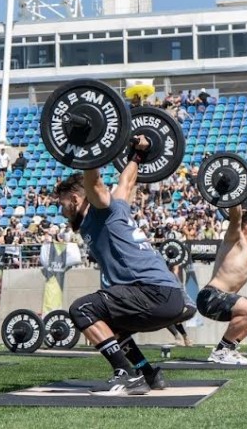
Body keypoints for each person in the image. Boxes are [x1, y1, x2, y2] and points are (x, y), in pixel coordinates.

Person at [55, 134, 195, 396]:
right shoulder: (118, 204)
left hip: (151, 292)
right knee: (111, 325)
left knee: (82, 309)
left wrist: (87, 145)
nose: (60, 210)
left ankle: (125, 375)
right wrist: (139, 152)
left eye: (61, 203)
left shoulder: (101, 207)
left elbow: (93, 181)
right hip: (169, 296)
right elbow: (127, 180)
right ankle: (147, 372)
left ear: (75, 198)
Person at [195, 204, 247, 365]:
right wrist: (236, 196)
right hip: (210, 297)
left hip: (223, 298)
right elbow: (236, 216)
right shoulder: (235, 238)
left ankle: (229, 349)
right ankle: (220, 351)